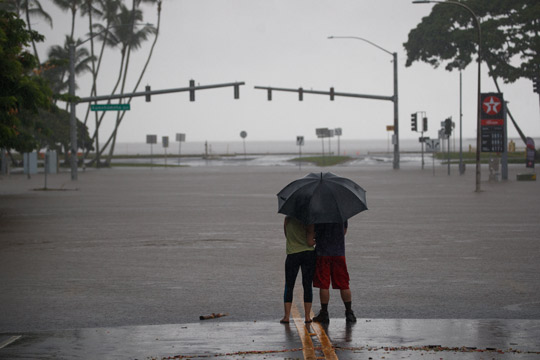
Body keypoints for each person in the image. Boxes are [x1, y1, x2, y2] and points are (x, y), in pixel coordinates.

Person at [312, 220, 357, 323]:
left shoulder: (318, 212)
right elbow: (344, 231)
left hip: (323, 252)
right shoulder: (341, 212)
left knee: (324, 284)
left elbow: (314, 232)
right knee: (343, 283)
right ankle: (349, 312)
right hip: (338, 252)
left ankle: (324, 313)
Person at [280, 216, 316, 324]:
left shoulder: (288, 218)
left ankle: (286, 316)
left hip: (292, 254)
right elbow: (310, 242)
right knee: (307, 285)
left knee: (289, 285)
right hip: (308, 254)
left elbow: (286, 235)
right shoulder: (309, 220)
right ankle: (307, 317)